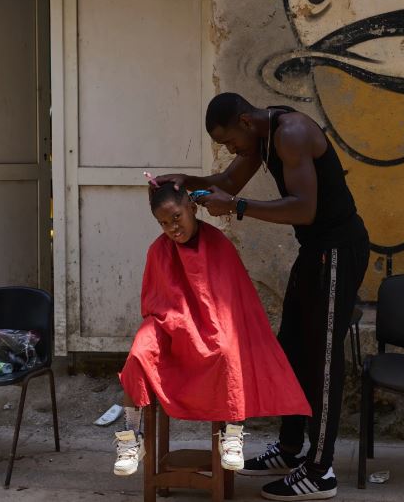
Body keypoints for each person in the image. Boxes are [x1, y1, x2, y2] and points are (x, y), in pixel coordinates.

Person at [151, 93, 369, 500]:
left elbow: (303, 209)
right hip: (315, 250)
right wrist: (183, 182)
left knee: (322, 357)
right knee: (289, 347)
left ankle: (320, 470)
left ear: (246, 121)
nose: (231, 151)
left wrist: (237, 208)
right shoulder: (260, 137)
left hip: (338, 249)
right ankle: (289, 450)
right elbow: (228, 183)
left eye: (230, 142)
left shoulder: (293, 133)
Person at [113, 181, 311, 477]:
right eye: (164, 223)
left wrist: (198, 328)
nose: (172, 228)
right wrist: (178, 325)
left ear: (192, 208)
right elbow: (154, 304)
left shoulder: (218, 244)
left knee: (228, 349)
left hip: (213, 324)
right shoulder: (158, 250)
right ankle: (131, 437)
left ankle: (232, 431)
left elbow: (230, 303)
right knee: (138, 354)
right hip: (170, 325)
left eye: (177, 217)